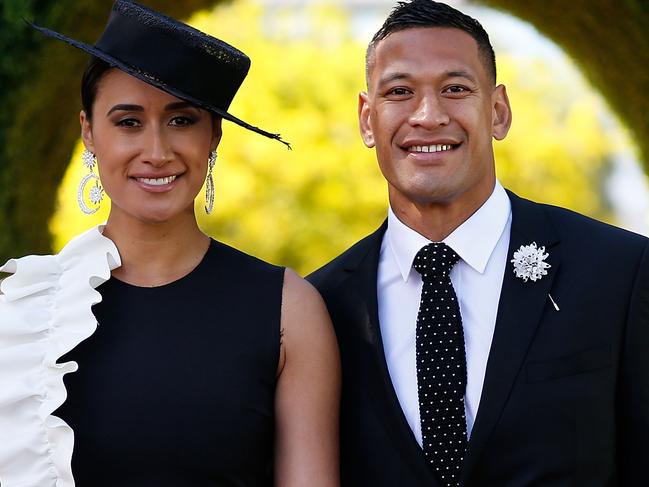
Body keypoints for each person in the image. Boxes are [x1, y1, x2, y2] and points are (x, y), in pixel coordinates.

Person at [308, 1, 648, 486]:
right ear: (368, 119)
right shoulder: (321, 306)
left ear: (498, 111)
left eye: (455, 89)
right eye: (400, 91)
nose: (428, 116)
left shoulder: (619, 272)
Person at [0, 1, 340, 486]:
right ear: (88, 133)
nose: (157, 152)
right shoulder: (26, 312)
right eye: (128, 122)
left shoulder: (289, 309)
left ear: (214, 136)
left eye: (182, 120)